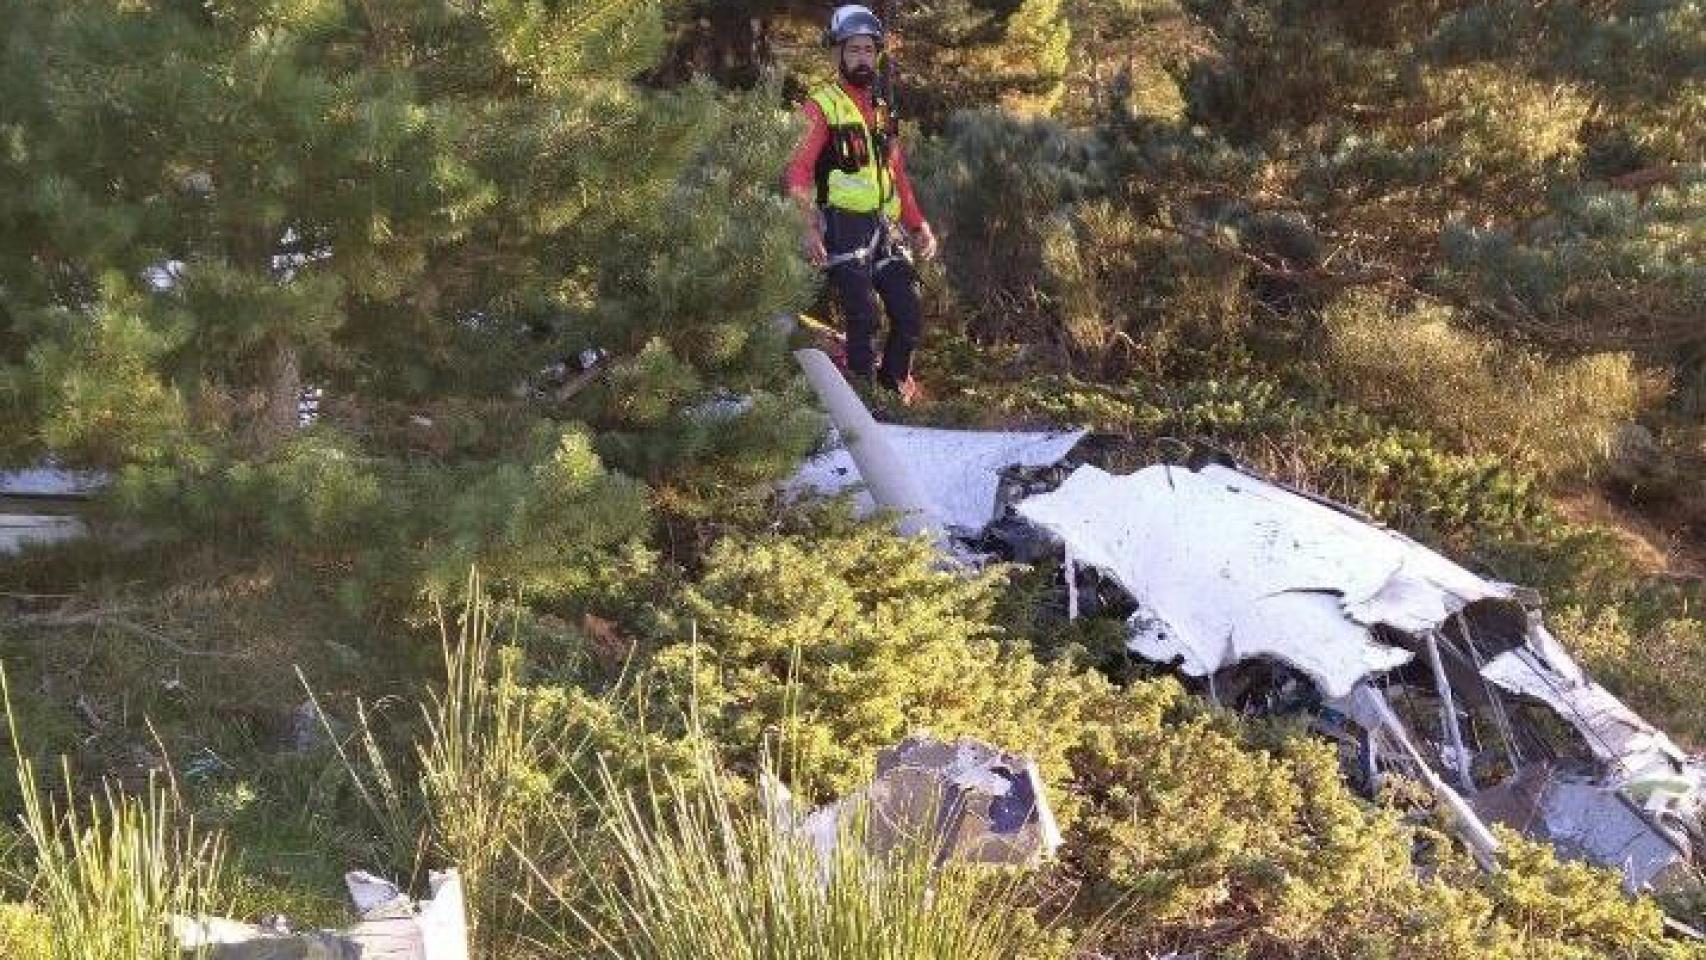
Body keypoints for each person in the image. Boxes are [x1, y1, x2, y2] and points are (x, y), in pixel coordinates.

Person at [785, 4, 938, 404]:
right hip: (842, 227)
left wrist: (919, 224)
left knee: (908, 317)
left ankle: (892, 395)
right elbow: (798, 171)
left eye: (869, 50)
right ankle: (862, 402)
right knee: (864, 318)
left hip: (885, 231)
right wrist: (807, 224)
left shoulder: (883, 111)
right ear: (837, 54)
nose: (862, 58)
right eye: (853, 50)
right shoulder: (821, 107)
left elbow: (897, 175)